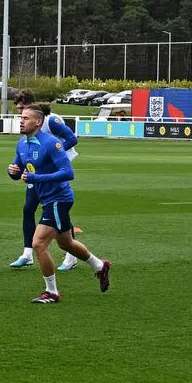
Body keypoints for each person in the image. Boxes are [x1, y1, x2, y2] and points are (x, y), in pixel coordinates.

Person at [8, 105, 112, 304]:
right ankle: (100, 265)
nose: (21, 121)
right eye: (21, 118)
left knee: (38, 243)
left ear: (38, 122)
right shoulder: (22, 144)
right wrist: (12, 171)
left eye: (26, 118)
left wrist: (36, 178)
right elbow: (18, 171)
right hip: (47, 198)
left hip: (58, 199)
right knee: (66, 243)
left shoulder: (52, 143)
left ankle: (52, 292)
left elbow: (68, 173)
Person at [9, 91, 82, 271]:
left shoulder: (51, 121)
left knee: (58, 208)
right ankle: (27, 254)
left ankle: (72, 255)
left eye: (22, 109)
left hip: (55, 170)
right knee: (29, 208)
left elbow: (72, 138)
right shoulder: (26, 135)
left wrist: (51, 154)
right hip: (37, 171)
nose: (20, 114)